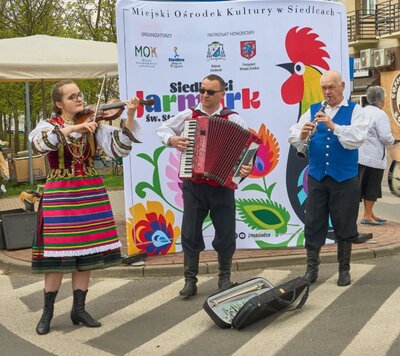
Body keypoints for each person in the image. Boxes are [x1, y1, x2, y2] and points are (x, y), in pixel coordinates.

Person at [29, 80, 141, 335]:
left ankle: (79, 309)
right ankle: (47, 313)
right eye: (72, 97)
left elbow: (120, 149)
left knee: (86, 254)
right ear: (59, 104)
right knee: (57, 257)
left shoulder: (94, 125)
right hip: (60, 194)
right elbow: (40, 144)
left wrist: (131, 113)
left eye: (79, 95)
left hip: (90, 192)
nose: (79, 100)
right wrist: (74, 127)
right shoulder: (48, 126)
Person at [156, 74, 253, 298]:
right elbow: (163, 129)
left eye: (210, 92)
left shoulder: (234, 119)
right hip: (194, 184)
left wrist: (244, 170)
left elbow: (246, 152)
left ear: (221, 94)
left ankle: (224, 278)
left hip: (222, 186)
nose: (204, 95)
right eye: (201, 90)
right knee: (190, 231)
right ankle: (190, 280)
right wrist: (172, 140)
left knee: (226, 233)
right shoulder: (189, 115)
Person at [289, 70, 369, 286]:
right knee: (314, 223)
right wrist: (303, 134)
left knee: (344, 223)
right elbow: (294, 136)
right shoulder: (312, 110)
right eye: (324, 88)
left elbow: (357, 139)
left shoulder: (355, 111)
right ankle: (311, 269)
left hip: (344, 178)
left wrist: (333, 126)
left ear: (342, 86)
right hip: (317, 177)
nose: (327, 92)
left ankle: (344, 270)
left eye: (331, 87)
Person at [358, 86, 395, 225]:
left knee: (362, 185)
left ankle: (370, 213)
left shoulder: (361, 111)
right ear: (382, 100)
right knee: (372, 187)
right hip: (374, 157)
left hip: (360, 155)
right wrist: (393, 139)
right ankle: (367, 216)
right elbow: (385, 137)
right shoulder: (380, 115)